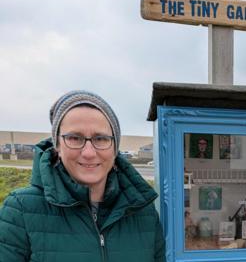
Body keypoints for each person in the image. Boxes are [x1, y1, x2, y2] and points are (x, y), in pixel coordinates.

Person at [0, 90, 165, 262]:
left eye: (100, 139)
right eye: (74, 138)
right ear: (57, 146)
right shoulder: (21, 211)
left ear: (115, 148)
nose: (88, 152)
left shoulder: (143, 211)